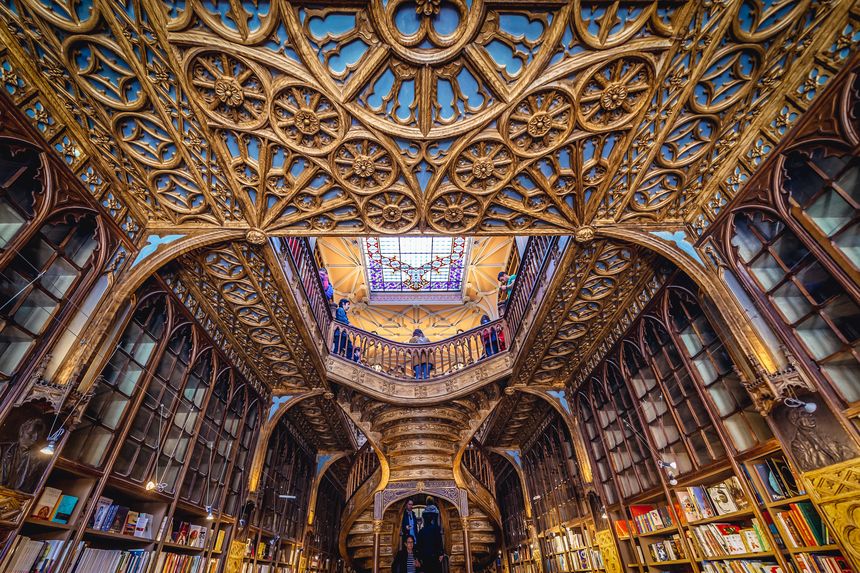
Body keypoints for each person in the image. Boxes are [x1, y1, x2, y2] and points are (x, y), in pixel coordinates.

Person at [0, 417, 48, 493]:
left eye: (37, 436)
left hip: (19, 498)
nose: (34, 439)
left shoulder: (39, 458)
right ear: (21, 431)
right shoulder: (4, 449)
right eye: (30, 434)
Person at [417, 507, 444, 573]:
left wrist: (419, 557)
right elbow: (439, 542)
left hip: (425, 558)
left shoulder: (421, 531)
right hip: (435, 556)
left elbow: (419, 546)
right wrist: (441, 553)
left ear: (424, 520)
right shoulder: (436, 529)